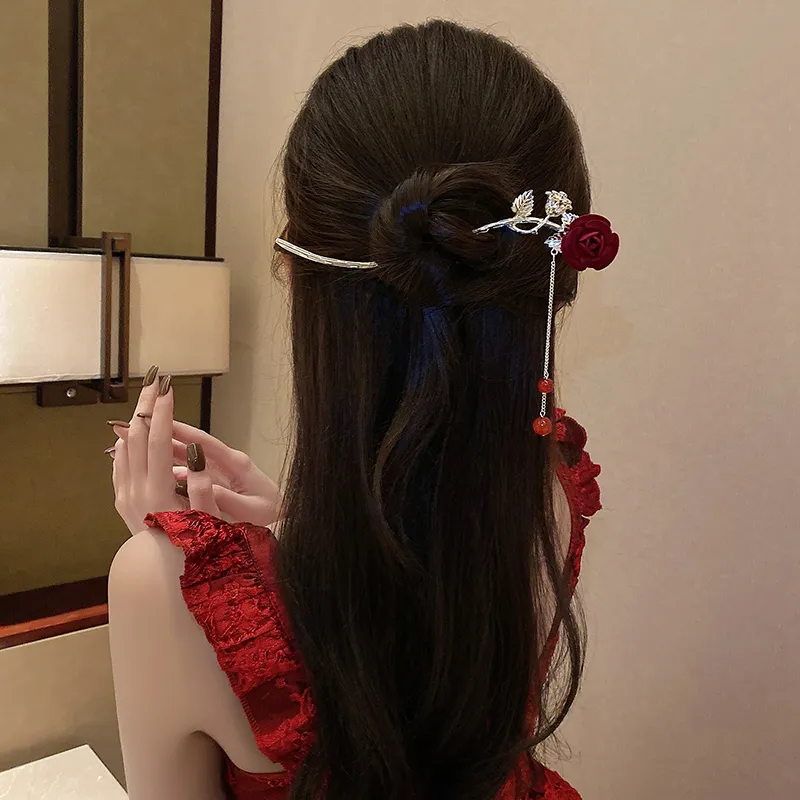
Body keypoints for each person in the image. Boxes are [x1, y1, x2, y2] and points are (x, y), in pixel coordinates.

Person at [107, 19, 612, 800]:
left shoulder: (160, 587)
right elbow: (431, 619)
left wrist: (179, 569)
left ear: (298, 277)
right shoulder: (551, 488)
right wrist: (295, 530)